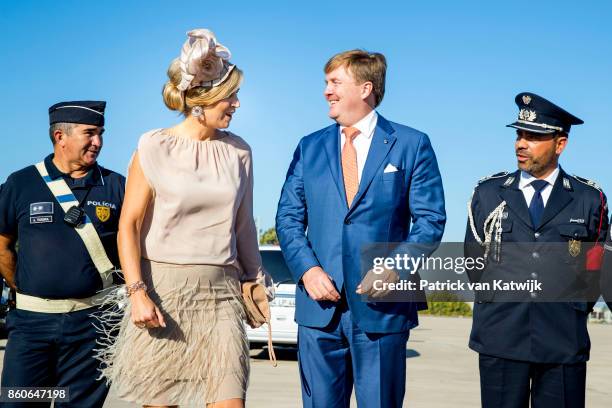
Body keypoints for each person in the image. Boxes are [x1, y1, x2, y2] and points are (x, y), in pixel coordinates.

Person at [97, 29, 272, 408]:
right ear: (201, 101)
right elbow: (128, 225)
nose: (237, 103)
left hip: (221, 296)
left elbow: (243, 226)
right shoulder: (153, 145)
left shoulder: (240, 152)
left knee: (230, 400)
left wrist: (255, 281)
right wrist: (137, 293)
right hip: (163, 294)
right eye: (231, 95)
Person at [276, 49, 446, 408]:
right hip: (319, 310)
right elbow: (288, 218)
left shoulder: (412, 144)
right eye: (326, 83)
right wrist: (307, 270)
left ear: (365, 88)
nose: (326, 91)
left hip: (383, 308)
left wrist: (394, 267)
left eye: (335, 82)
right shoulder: (310, 147)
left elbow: (430, 220)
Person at [465, 92, 609, 408]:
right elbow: (475, 264)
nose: (521, 143)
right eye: (519, 134)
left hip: (562, 341)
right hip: (500, 338)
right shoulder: (488, 194)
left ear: (560, 144)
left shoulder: (589, 199)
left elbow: (596, 272)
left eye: (534, 136)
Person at [0, 100, 125, 407]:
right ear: (60, 137)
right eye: (90, 133)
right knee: (19, 402)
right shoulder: (21, 183)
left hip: (94, 326)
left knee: (78, 404)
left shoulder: (117, 186)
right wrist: (26, 287)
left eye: (101, 134)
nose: (98, 142)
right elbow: (1, 244)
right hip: (31, 325)